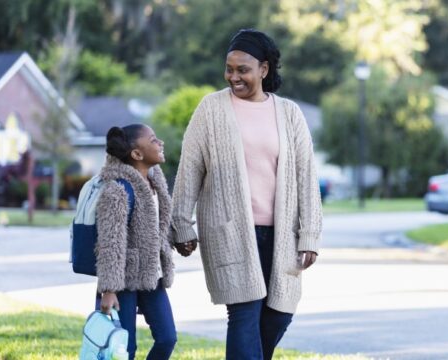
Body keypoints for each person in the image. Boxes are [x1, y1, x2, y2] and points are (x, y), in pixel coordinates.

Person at [170, 28, 323, 359]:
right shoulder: (211, 110)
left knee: (278, 315)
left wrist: (309, 234)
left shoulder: (289, 114)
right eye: (229, 68)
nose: (233, 77)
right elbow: (190, 169)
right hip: (230, 231)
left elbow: (307, 178)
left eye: (243, 70)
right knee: (243, 314)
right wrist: (181, 223)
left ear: (264, 70)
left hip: (281, 234)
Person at [95, 124, 177, 359]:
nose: (160, 143)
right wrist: (109, 289)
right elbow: (110, 243)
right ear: (137, 154)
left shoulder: (155, 184)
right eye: (153, 140)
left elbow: (157, 228)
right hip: (123, 282)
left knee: (167, 338)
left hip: (153, 276)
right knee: (123, 349)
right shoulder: (117, 190)